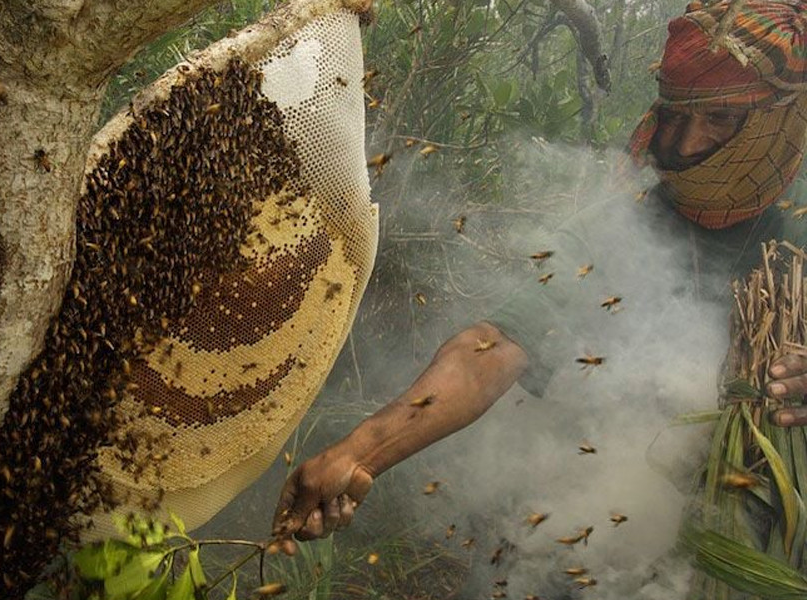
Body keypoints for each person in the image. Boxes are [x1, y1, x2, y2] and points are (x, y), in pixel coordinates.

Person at [271, 0, 807, 549]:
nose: (690, 145)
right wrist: (356, 453)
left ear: (780, 118)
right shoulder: (619, 227)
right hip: (626, 532)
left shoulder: (799, 223)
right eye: (680, 117)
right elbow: (493, 346)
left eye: (719, 118)